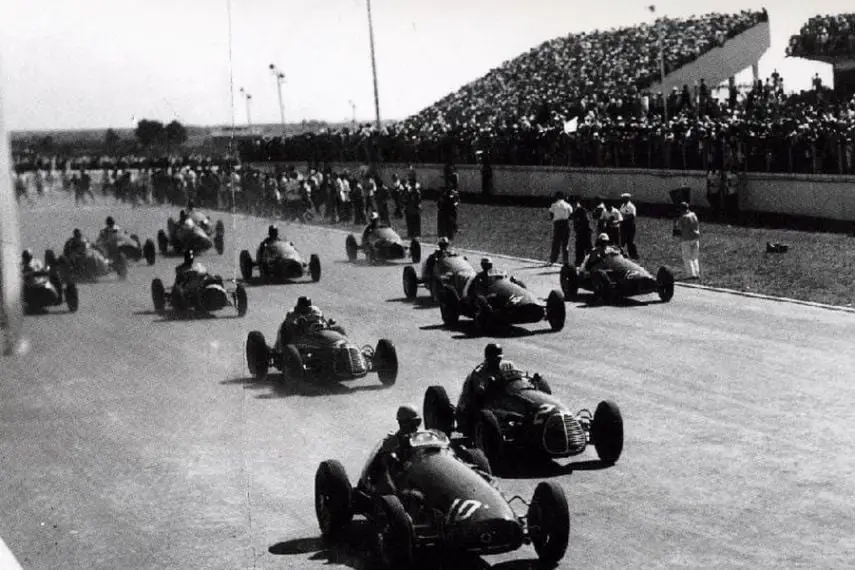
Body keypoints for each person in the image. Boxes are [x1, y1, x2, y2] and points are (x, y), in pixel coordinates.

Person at [373, 404, 423, 496]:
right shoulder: (391, 443)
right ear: (401, 423)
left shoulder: (423, 438)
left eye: (417, 422)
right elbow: (381, 467)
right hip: (403, 483)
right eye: (412, 423)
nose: (416, 426)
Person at [677, 202, 700, 279]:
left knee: (687, 257)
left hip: (686, 238)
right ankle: (697, 273)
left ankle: (691, 274)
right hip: (696, 237)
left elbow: (678, 228)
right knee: (694, 257)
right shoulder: (694, 215)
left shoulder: (683, 217)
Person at [548, 192, 572, 265]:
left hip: (557, 225)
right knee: (565, 244)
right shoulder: (568, 205)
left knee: (556, 243)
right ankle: (566, 261)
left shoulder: (554, 205)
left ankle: (552, 260)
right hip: (565, 224)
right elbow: (571, 214)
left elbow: (551, 215)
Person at [571, 197, 592, 266]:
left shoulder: (581, 210)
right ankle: (579, 262)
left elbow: (585, 221)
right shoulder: (576, 210)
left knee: (587, 248)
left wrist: (578, 228)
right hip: (580, 232)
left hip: (584, 232)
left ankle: (589, 263)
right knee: (579, 248)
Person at [618, 193, 638, 259]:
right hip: (623, 225)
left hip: (629, 225)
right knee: (622, 240)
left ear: (627, 199)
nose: (622, 199)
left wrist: (623, 218)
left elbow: (632, 216)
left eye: (624, 198)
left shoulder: (631, 206)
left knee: (630, 241)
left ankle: (634, 255)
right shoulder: (622, 205)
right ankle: (622, 253)